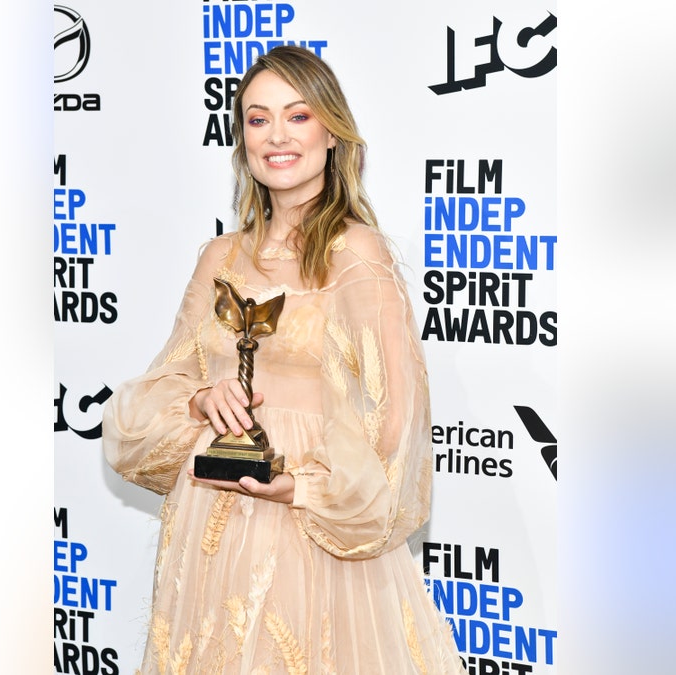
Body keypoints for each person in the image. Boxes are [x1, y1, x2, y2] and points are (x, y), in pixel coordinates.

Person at [102, 45, 466, 674]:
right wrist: (197, 401)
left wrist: (300, 489)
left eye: (297, 116)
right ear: (241, 137)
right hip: (208, 522)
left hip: (307, 533)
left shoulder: (357, 254)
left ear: (333, 134)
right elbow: (162, 388)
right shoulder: (219, 257)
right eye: (257, 118)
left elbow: (397, 418)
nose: (276, 136)